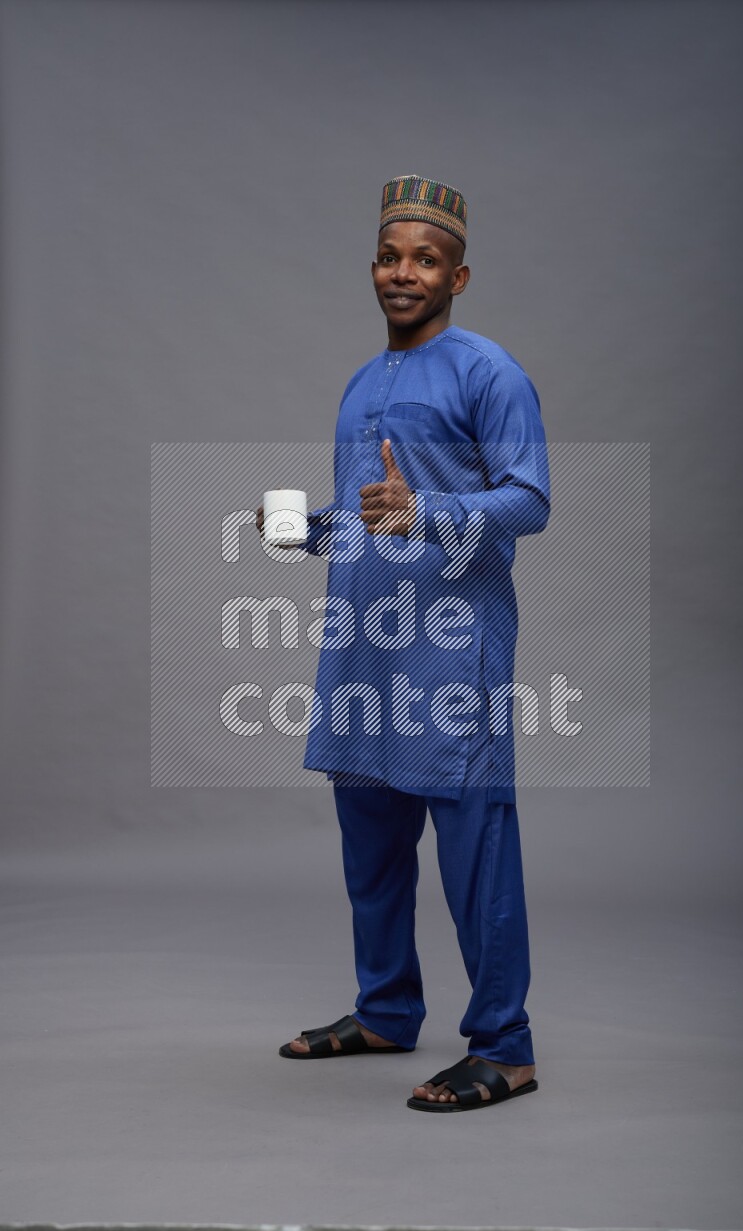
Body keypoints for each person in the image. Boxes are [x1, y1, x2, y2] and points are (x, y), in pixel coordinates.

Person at [258, 174, 550, 1111]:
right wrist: (298, 527)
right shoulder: (361, 383)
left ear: (459, 275)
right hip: (365, 651)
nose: (403, 272)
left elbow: (530, 500)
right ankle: (386, 1008)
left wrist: (428, 509)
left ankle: (505, 1046)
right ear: (372, 266)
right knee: (370, 847)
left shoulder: (487, 371)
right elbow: (366, 520)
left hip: (451, 655)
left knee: (473, 854)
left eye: (426, 258)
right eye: (390, 256)